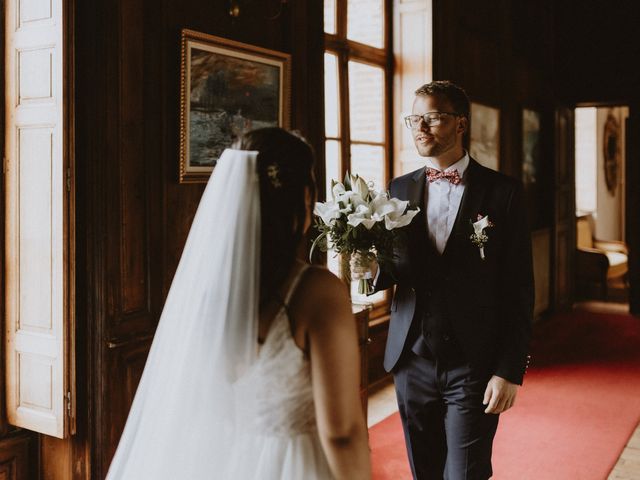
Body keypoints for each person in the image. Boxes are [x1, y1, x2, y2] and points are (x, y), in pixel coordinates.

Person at [107, 128, 371, 480]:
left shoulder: (204, 291)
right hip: (297, 464)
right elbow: (340, 432)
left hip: (226, 460)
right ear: (303, 197)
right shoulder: (317, 291)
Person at [352, 81, 534, 479]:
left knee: (465, 474)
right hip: (411, 360)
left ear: (460, 124)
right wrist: (369, 270)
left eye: (432, 117)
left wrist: (509, 370)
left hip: (474, 362)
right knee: (425, 472)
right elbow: (397, 266)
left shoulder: (503, 193)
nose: (421, 127)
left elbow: (519, 287)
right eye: (415, 119)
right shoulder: (398, 189)